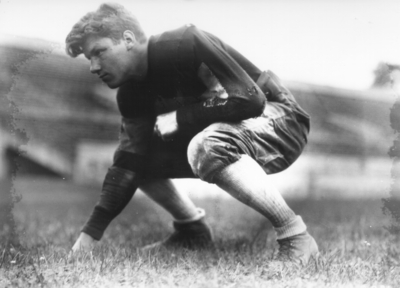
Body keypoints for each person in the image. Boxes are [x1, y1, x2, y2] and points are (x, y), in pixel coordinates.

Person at [66, 3, 318, 264]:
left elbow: (250, 100)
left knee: (206, 145)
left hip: (282, 120)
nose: (93, 66)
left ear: (128, 39)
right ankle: (192, 230)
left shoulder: (183, 44)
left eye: (99, 52)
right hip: (233, 133)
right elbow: (127, 163)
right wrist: (88, 237)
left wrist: (181, 117)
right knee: (138, 159)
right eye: (89, 58)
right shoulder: (130, 94)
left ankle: (296, 237)